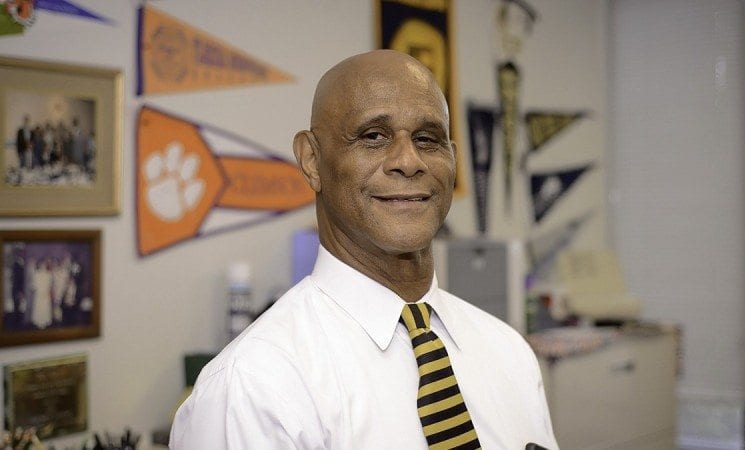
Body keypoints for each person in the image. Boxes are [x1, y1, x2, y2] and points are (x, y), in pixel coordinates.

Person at [170, 50, 558, 450]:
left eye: (428, 139)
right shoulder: (253, 388)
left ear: (453, 160)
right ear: (312, 161)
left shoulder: (510, 353)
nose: (409, 161)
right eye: (373, 137)